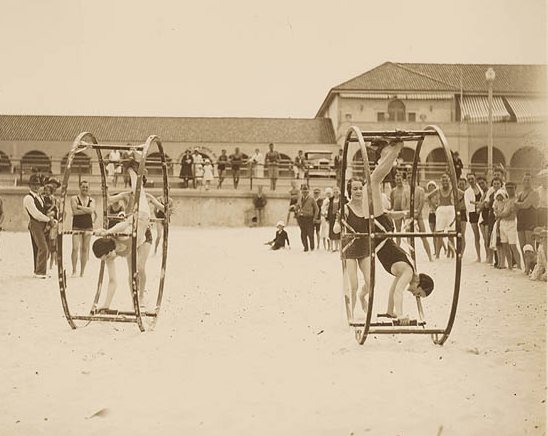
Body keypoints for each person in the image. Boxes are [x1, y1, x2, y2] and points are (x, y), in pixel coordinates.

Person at [334, 140, 434, 323]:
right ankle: (394, 151)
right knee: (372, 183)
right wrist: (402, 315)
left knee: (371, 184)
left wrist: (391, 312)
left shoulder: (407, 271)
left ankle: (385, 154)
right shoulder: (409, 273)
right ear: (420, 284)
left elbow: (393, 290)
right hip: (380, 229)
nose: (414, 293)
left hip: (379, 232)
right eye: (418, 293)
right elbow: (398, 292)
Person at [24, 174, 55, 278]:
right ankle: (39, 272)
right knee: (43, 247)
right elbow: (35, 214)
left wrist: (51, 217)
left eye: (37, 184)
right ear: (30, 185)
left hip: (43, 224)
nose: (36, 187)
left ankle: (40, 270)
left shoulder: (40, 196)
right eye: (33, 184)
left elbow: (45, 210)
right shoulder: (28, 198)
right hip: (35, 223)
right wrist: (48, 219)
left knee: (44, 248)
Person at [426, 174, 456, 259]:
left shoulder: (453, 189)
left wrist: (457, 207)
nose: (445, 182)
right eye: (443, 181)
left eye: (446, 181)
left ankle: (453, 253)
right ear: (441, 182)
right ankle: (438, 254)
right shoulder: (438, 189)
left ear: (449, 181)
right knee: (439, 234)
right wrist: (435, 207)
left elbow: (463, 195)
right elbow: (428, 197)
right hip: (441, 210)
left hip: (450, 210)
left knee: (451, 233)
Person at [403, 180, 433, 262]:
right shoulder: (405, 191)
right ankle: (412, 257)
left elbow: (421, 202)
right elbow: (403, 204)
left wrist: (417, 213)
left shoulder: (420, 190)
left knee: (424, 236)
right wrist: (408, 214)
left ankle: (430, 256)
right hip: (409, 216)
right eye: (408, 178)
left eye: (411, 177)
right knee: (409, 238)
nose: (410, 179)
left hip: (418, 216)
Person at [71, 180, 95, 277]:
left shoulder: (92, 200)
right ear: (79, 187)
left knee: (85, 249)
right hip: (76, 225)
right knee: (75, 248)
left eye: (87, 187)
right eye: (83, 186)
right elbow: (75, 212)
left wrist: (80, 207)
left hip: (88, 226)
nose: (85, 188)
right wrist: (87, 210)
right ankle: (74, 270)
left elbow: (92, 210)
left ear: (89, 188)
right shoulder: (74, 198)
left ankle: (82, 272)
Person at [515, 172, 539, 258]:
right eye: (525, 179)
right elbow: (516, 207)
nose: (526, 181)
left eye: (528, 180)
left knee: (530, 246)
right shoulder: (520, 193)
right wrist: (518, 204)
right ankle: (526, 267)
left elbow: (525, 205)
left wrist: (516, 203)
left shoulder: (534, 192)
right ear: (522, 181)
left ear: (532, 181)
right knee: (522, 246)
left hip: (530, 221)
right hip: (520, 221)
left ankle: (533, 267)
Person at [465, 173, 484, 262]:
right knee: (477, 236)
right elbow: (468, 205)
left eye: (472, 178)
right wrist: (477, 206)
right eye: (469, 179)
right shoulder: (467, 192)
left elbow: (483, 200)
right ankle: (479, 256)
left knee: (485, 235)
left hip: (481, 212)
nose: (471, 181)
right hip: (473, 214)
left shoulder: (481, 189)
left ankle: (487, 255)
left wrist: (479, 207)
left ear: (475, 178)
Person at [295, 184, 319, 252]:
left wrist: (314, 218)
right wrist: (297, 213)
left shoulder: (312, 199)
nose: (304, 193)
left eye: (306, 191)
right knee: (303, 234)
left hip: (309, 218)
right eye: (303, 191)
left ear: (308, 192)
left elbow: (317, 209)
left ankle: (312, 248)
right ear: (301, 191)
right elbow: (297, 208)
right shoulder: (299, 199)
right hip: (301, 219)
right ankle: (305, 247)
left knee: (310, 234)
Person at [43, 184, 60, 270]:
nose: (47, 192)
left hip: (52, 219)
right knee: (47, 245)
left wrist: (50, 211)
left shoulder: (53, 198)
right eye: (45, 190)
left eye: (48, 190)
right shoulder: (43, 198)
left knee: (53, 244)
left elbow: (55, 208)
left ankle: (52, 264)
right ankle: (47, 263)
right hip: (46, 219)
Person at [476, 176, 492, 263]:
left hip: (488, 217)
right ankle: (487, 256)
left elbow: (484, 205)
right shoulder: (483, 194)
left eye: (482, 183)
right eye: (479, 184)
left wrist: (480, 206)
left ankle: (490, 257)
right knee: (485, 239)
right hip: (483, 218)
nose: (481, 185)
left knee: (487, 239)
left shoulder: (489, 191)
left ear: (486, 182)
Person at [389, 172, 407, 246]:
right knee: (398, 230)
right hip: (397, 212)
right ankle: (398, 246)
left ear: (403, 179)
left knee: (408, 229)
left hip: (405, 211)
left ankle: (411, 247)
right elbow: (392, 202)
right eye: (397, 179)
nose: (399, 181)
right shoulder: (393, 191)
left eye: (400, 179)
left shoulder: (406, 189)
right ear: (395, 180)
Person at [456, 178, 468, 256]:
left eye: (463, 184)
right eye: (460, 184)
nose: (461, 186)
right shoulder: (455, 193)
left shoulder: (466, 193)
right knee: (455, 233)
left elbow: (465, 195)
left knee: (462, 234)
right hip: (455, 213)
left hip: (463, 213)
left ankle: (462, 253)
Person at [327, 187, 341, 252]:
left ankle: (337, 247)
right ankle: (332, 247)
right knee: (331, 231)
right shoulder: (331, 200)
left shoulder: (341, 200)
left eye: (337, 192)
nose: (335, 193)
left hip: (338, 217)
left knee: (338, 231)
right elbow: (329, 209)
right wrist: (328, 217)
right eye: (334, 192)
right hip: (332, 217)